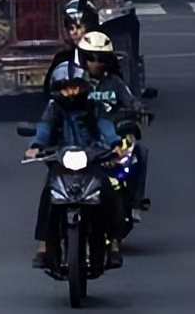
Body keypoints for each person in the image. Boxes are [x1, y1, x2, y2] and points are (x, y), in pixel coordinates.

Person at [25, 61, 125, 269]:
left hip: (92, 158)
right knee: (48, 195)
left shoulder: (94, 107)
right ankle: (44, 245)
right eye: (65, 87)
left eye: (74, 86)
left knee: (108, 190)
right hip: (59, 159)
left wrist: (115, 143)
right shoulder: (53, 108)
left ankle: (113, 243)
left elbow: (105, 126)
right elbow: (44, 129)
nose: (70, 92)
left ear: (83, 86)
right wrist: (36, 146)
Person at [77, 31, 149, 218]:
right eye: (93, 58)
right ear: (84, 59)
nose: (98, 63)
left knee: (139, 152)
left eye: (102, 58)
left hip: (113, 137)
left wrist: (139, 109)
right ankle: (48, 234)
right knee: (55, 168)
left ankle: (135, 203)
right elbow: (56, 103)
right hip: (80, 137)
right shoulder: (73, 82)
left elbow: (130, 100)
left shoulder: (114, 83)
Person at [41, 0, 101, 96]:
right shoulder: (61, 59)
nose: (74, 32)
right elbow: (48, 94)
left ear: (91, 27)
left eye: (78, 27)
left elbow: (120, 95)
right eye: (70, 28)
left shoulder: (107, 59)